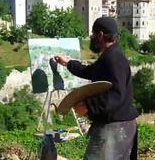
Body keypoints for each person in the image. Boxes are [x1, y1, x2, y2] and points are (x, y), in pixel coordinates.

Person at [54, 17, 138, 160]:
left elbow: (116, 94)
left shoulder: (113, 58)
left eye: (93, 34)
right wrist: (68, 63)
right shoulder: (110, 55)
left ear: (100, 35)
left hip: (115, 126)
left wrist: (88, 106)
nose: (92, 38)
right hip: (118, 124)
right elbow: (90, 71)